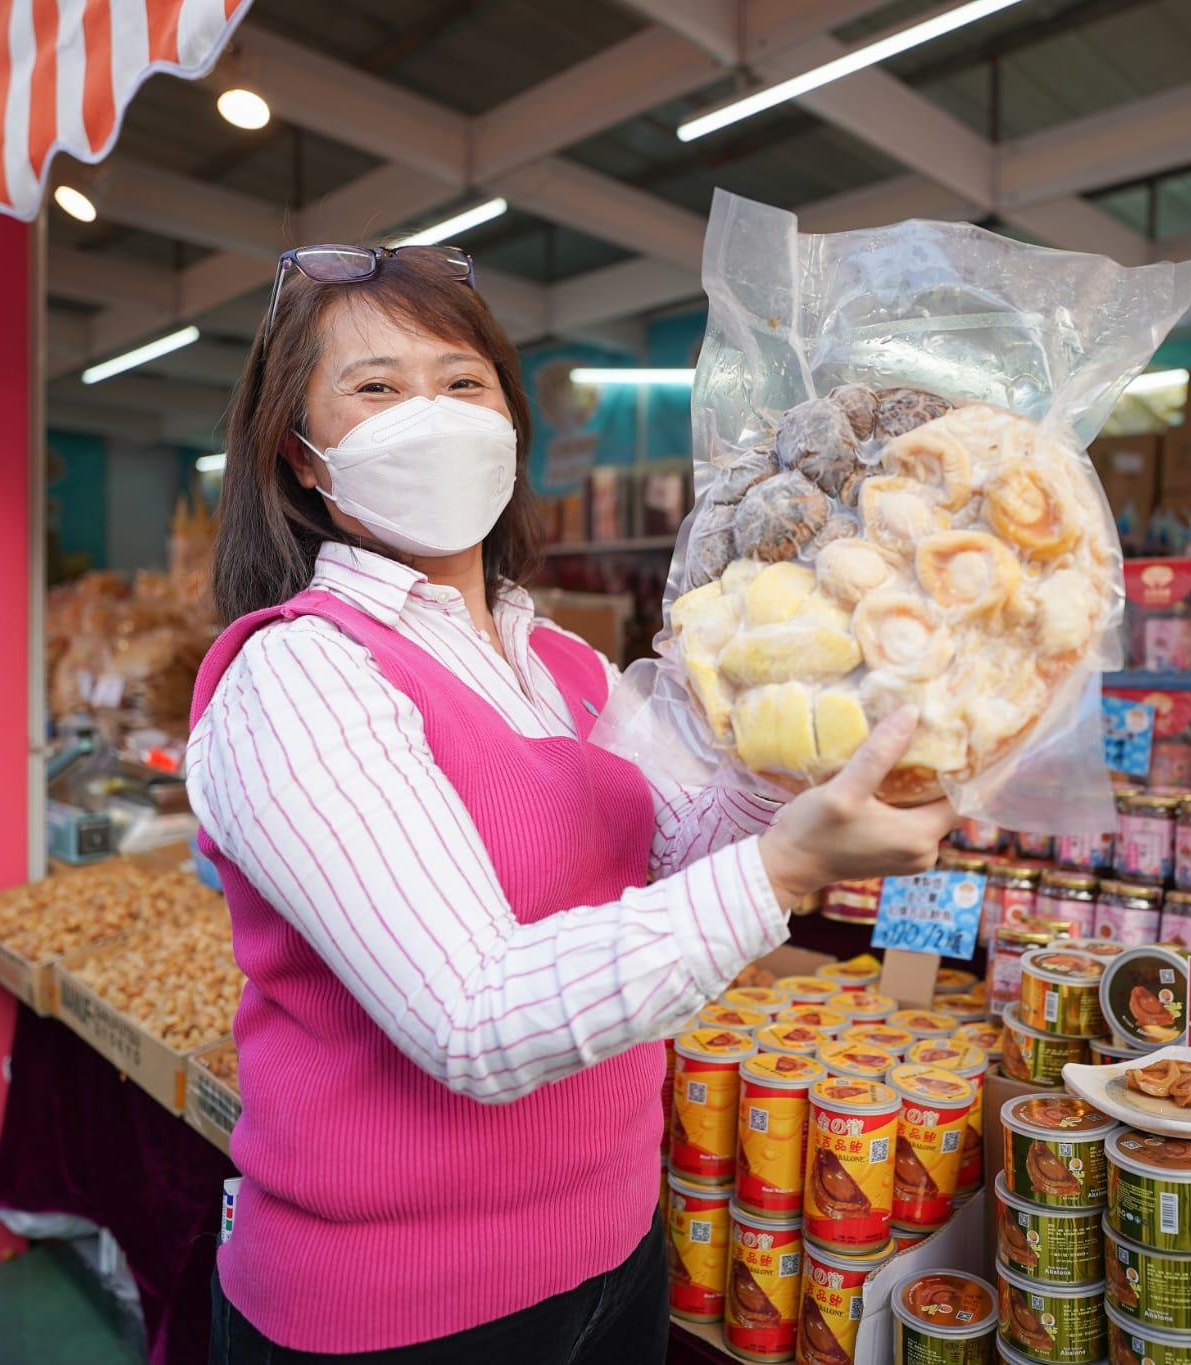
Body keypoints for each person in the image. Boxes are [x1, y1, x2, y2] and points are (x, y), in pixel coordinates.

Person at [188, 242, 955, 1364]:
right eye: (376, 387)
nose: (433, 415)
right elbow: (473, 1019)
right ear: (301, 459)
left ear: (508, 427)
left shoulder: (561, 663)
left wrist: (786, 763)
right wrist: (785, 868)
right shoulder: (298, 675)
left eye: (463, 384)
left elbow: (665, 875)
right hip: (397, 1315)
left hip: (612, 1253)